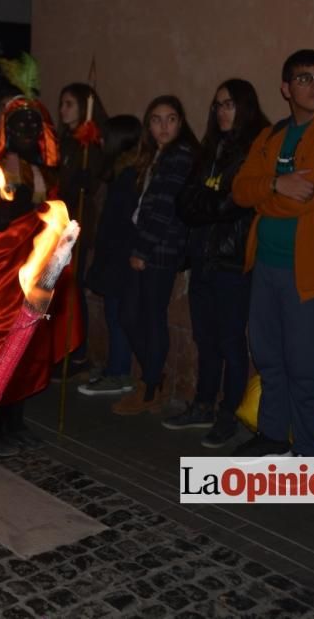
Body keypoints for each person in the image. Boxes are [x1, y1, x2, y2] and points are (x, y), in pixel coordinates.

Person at [231, 49, 314, 457]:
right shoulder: (271, 135)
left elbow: (304, 198)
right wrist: (274, 186)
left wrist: (265, 190)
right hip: (266, 263)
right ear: (286, 88)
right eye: (304, 78)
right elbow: (239, 189)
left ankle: (307, 453)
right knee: (268, 357)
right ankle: (272, 437)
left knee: (304, 368)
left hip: (313, 271)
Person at [0, 53, 83, 458]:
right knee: (1, 349)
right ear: (5, 127)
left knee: (27, 348)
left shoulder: (44, 171)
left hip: (32, 274)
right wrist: (12, 210)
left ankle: (14, 424)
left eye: (34, 123)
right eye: (19, 123)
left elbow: (54, 214)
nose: (27, 129)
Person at [162, 80, 269, 447]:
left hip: (233, 260)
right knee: (204, 337)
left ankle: (228, 412)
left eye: (230, 104)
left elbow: (235, 201)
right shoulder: (209, 149)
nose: (223, 111)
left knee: (229, 340)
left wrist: (210, 202)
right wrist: (212, 201)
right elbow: (185, 203)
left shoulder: (256, 147)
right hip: (204, 257)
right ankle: (203, 403)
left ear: (245, 107)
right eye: (218, 105)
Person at [110, 95, 198, 416]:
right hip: (146, 243)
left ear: (181, 122)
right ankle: (152, 378)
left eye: (171, 119)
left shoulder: (180, 155)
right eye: (156, 120)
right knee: (131, 315)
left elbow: (164, 207)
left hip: (159, 247)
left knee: (149, 316)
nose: (164, 126)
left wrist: (142, 250)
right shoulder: (157, 155)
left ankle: (149, 389)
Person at [80, 115, 143, 397]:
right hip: (113, 254)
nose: (102, 141)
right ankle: (114, 368)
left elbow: (123, 221)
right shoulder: (118, 172)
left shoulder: (129, 176)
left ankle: (120, 373)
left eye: (106, 137)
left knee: (118, 316)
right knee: (112, 313)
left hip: (121, 256)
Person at [55, 82, 108, 376]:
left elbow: (93, 181)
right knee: (58, 288)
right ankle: (60, 347)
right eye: (62, 103)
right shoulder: (64, 141)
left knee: (71, 288)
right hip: (58, 222)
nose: (62, 109)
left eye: (69, 104)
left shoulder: (90, 145)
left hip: (75, 225)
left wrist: (87, 180)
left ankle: (77, 352)